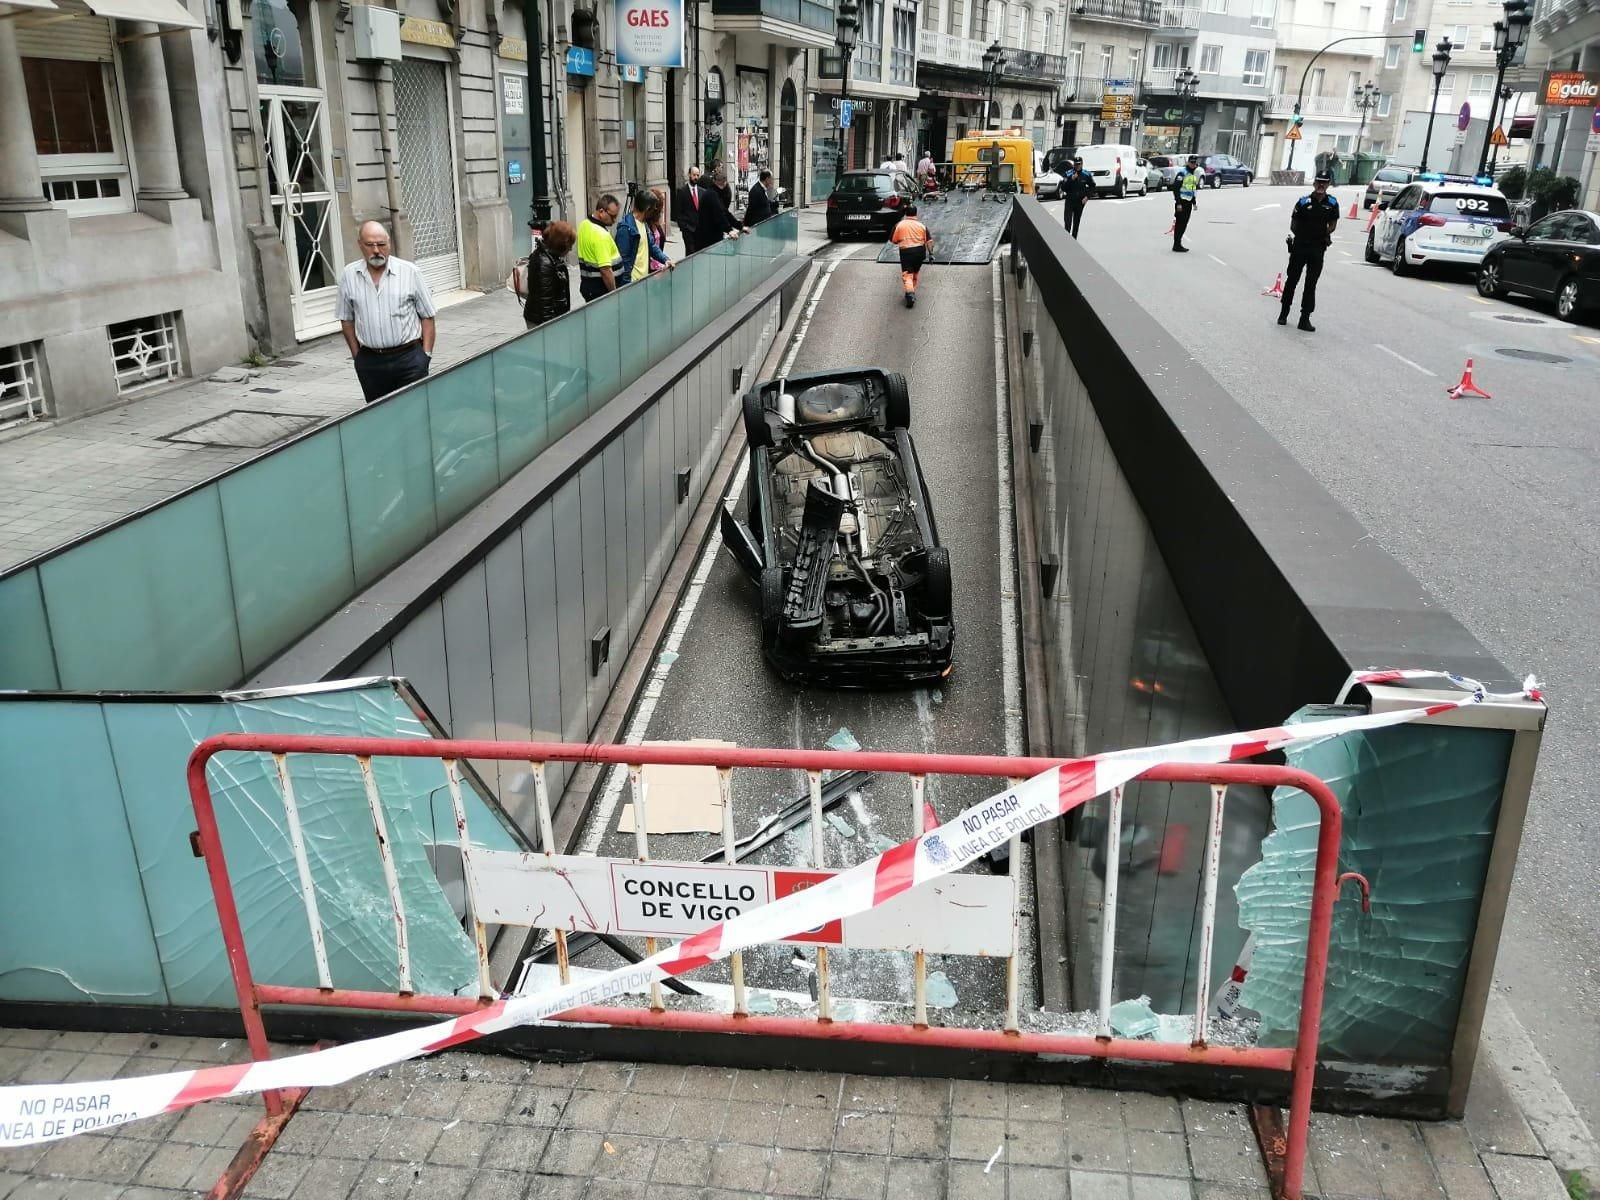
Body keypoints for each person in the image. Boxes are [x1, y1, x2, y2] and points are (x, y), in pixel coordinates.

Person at [336, 220, 437, 404]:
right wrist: (357, 357)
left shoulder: (410, 272)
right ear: (360, 245)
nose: (376, 250)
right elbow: (346, 318)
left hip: (409, 359)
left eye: (381, 245)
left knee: (415, 412)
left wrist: (425, 355)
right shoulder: (349, 275)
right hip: (371, 362)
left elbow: (428, 316)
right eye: (370, 245)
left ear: (389, 244)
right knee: (379, 417)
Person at [1278, 170, 1341, 332]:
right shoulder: (1303, 202)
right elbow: (1293, 224)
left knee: (1311, 284)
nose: (1321, 185)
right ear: (1314, 183)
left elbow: (1333, 224)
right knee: (1292, 280)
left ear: (1328, 184)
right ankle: (1284, 313)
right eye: (1319, 181)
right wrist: (1303, 236)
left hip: (1318, 248)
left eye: (1324, 182)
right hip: (1300, 246)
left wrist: (1325, 233)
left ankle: (1304, 318)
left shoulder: (1332, 203)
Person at [522, 221, 574, 330]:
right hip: (542, 321)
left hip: (550, 316)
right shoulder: (545, 263)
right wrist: (549, 329)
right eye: (570, 245)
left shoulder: (551, 257)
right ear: (561, 244)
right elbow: (545, 302)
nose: (571, 249)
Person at [615, 190, 672, 284]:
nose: (655, 212)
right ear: (647, 209)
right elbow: (624, 260)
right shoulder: (626, 228)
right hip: (632, 283)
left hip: (643, 280)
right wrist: (625, 286)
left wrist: (666, 259)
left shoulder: (644, 224)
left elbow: (652, 246)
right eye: (653, 209)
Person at [576, 194, 623, 302]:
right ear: (601, 212)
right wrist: (614, 294)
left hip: (589, 286)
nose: (614, 220)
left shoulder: (584, 224)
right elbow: (606, 270)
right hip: (602, 291)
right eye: (612, 216)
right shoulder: (601, 235)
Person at [889, 203, 932, 308]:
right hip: (920, 252)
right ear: (916, 214)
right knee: (915, 273)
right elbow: (929, 241)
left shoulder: (899, 225)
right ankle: (911, 290)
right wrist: (931, 254)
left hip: (906, 252)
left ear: (905, 213)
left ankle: (910, 294)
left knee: (907, 275)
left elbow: (893, 240)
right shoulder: (922, 226)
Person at [1172, 154, 1202, 253]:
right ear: (1188, 163)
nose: (1193, 164)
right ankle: (1176, 244)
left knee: (1184, 224)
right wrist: (1178, 203)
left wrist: (1194, 202)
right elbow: (1176, 188)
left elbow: (1192, 190)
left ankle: (1178, 243)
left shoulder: (1193, 175)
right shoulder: (1182, 173)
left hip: (1188, 203)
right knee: (1180, 223)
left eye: (1195, 163)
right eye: (1192, 162)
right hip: (1181, 203)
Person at [1062, 156, 1095, 239]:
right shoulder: (1068, 173)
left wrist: (1087, 197)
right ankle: (1067, 240)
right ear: (1073, 164)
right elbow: (1063, 188)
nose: (1077, 166)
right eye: (1076, 164)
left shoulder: (1086, 174)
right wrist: (1071, 179)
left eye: (1079, 164)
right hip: (1070, 200)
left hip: (1080, 202)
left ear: (1082, 164)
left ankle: (1074, 240)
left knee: (1076, 223)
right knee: (1068, 223)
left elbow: (1092, 186)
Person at [674, 167, 704, 255]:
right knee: (690, 252)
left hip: (700, 230)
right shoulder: (682, 192)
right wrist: (683, 227)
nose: (696, 177)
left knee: (699, 252)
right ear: (689, 175)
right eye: (694, 175)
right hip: (688, 229)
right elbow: (678, 211)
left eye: (698, 175)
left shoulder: (702, 192)